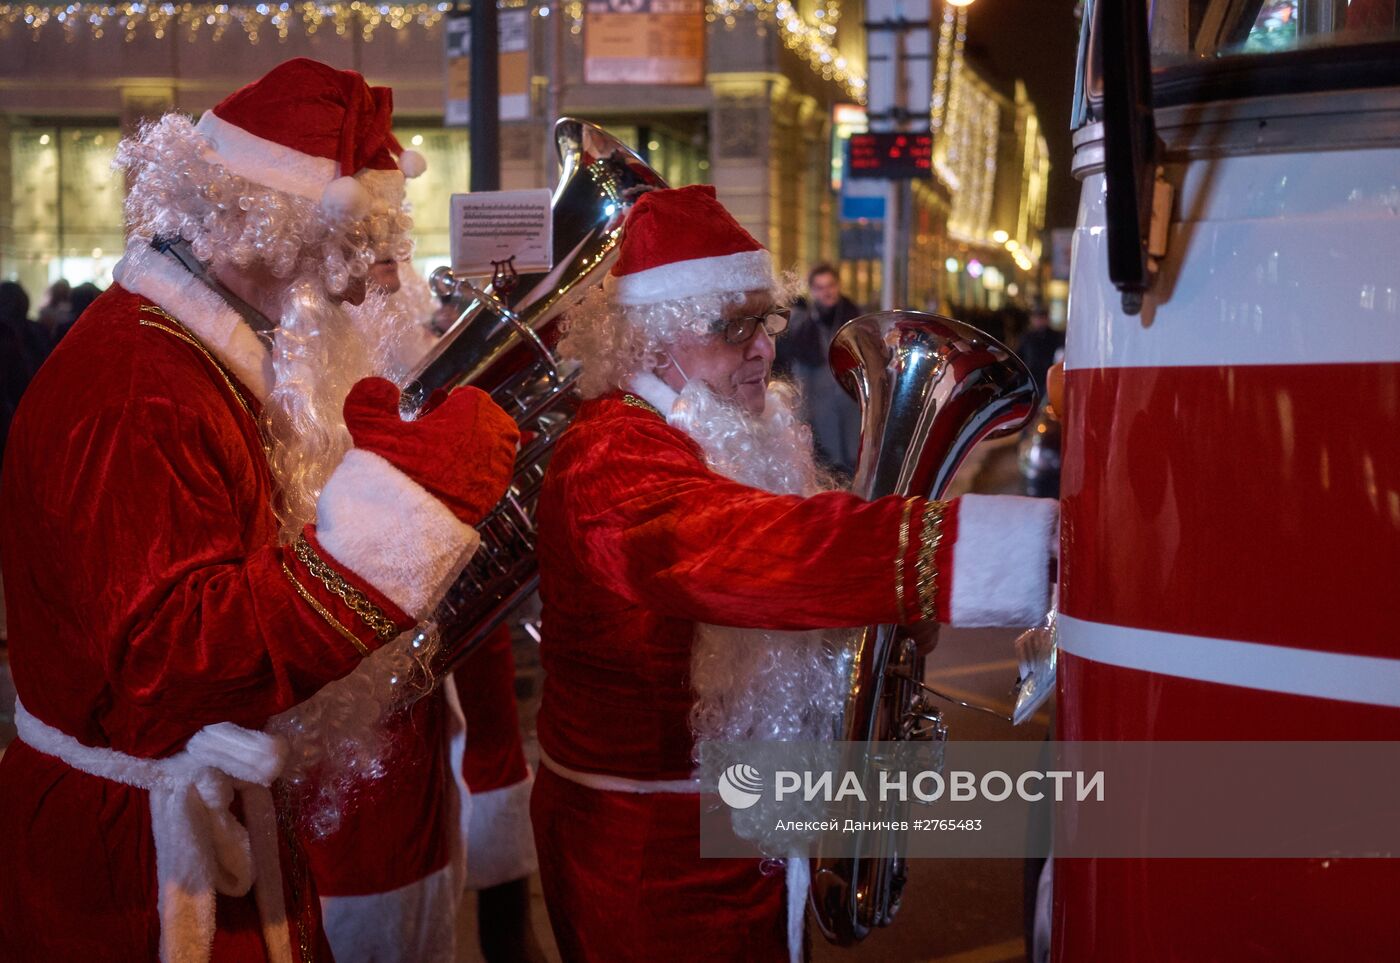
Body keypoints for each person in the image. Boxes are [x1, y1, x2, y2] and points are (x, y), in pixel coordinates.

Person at [0, 57, 519, 963]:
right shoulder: (142, 388)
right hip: (133, 879)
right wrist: (405, 516)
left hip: (204, 834)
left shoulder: (199, 356)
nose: (371, 288)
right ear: (255, 228)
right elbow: (176, 663)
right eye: (348, 252)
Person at [530, 185, 1058, 962]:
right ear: (650, 341)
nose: (765, 349)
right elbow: (750, 552)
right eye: (734, 326)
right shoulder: (607, 453)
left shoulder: (714, 428)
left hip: (736, 835)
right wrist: (984, 551)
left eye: (766, 320)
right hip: (650, 863)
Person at [773, 262, 863, 477]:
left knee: (856, 459)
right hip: (819, 406)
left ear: (838, 286)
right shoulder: (804, 323)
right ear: (813, 291)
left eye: (830, 285)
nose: (827, 292)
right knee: (831, 465)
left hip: (852, 403)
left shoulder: (854, 318)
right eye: (820, 287)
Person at [1016, 307, 1064, 399]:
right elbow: (1019, 356)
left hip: (1049, 378)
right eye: (1036, 318)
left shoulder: (1056, 336)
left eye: (1042, 318)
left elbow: (1060, 356)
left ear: (1047, 319)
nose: (1039, 321)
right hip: (1031, 378)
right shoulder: (1026, 337)